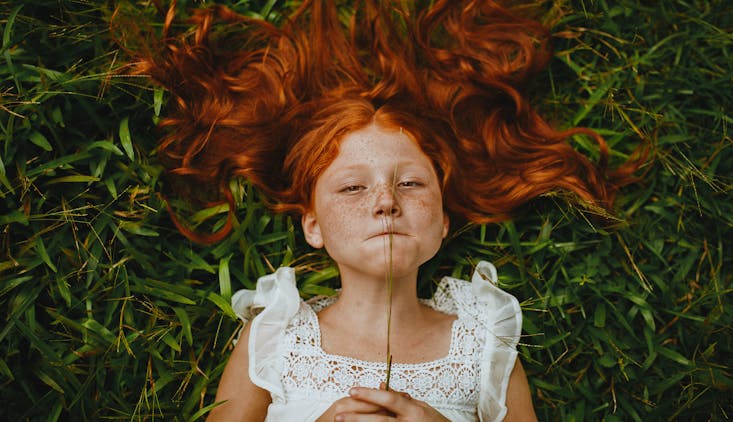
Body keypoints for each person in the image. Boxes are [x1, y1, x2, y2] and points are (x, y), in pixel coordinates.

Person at [119, 0, 640, 420]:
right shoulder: (277, 334)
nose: (386, 201)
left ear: (442, 222)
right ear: (313, 226)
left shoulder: (481, 342)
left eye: (411, 183)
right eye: (351, 189)